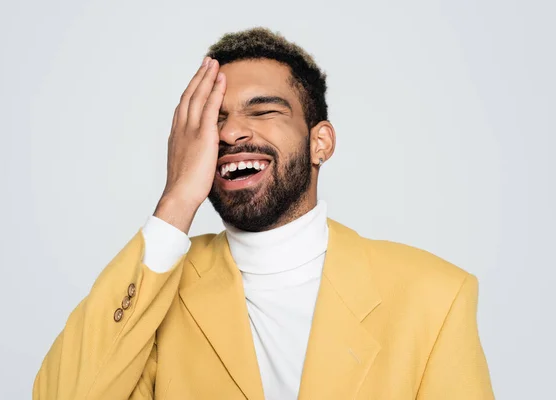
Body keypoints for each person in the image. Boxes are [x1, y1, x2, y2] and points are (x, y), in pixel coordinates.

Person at [33, 27, 494, 400]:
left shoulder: (435, 296)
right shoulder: (157, 289)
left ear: (321, 142)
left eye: (263, 110)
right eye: (215, 118)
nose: (232, 132)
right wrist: (176, 200)